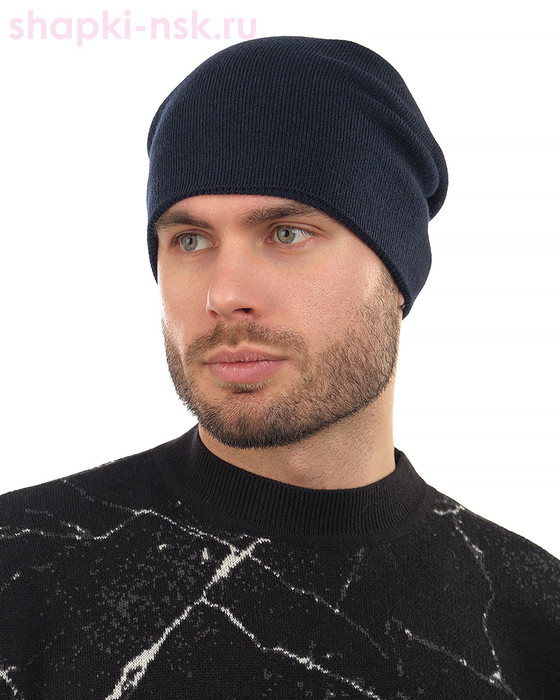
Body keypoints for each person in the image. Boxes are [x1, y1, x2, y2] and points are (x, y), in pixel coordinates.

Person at [0, 36, 558, 700]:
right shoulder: (22, 568)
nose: (223, 293)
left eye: (287, 233)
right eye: (190, 240)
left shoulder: (532, 621)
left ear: (397, 275)